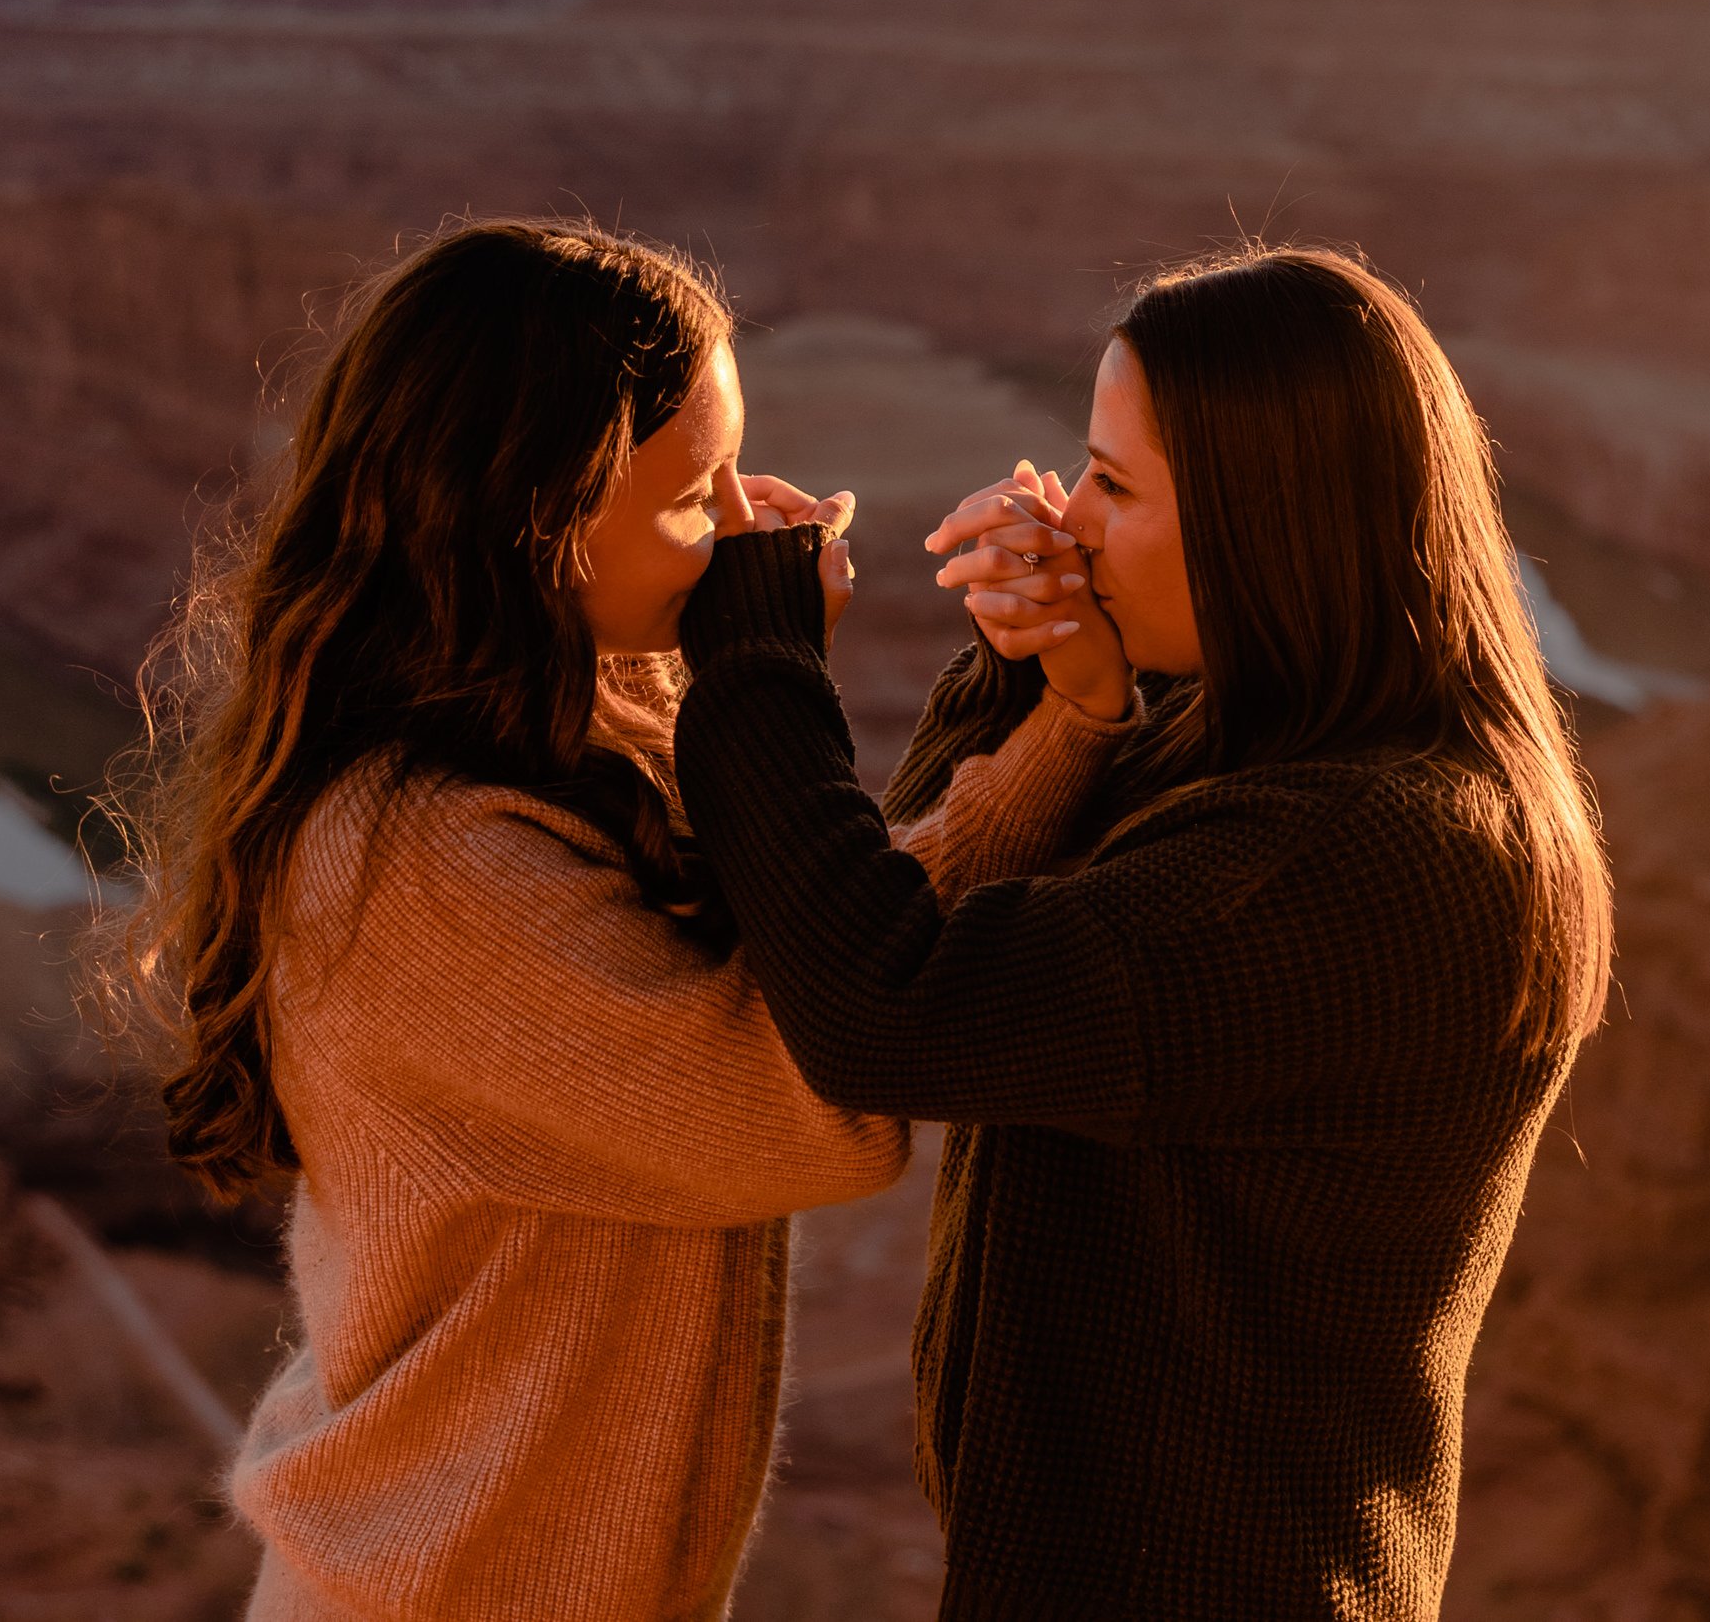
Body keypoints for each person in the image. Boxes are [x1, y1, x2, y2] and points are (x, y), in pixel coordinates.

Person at [667, 244, 1614, 1622]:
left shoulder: (1369, 859)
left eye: (1114, 485)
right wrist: (1047, 693)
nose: (1073, 521)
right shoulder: (1260, 747)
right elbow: (933, 892)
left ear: (1258, 521)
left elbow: (885, 1003)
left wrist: (756, 654)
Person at [122, 218, 912, 1622]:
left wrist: (1042, 719)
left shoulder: (576, 721)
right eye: (695, 498)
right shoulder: (420, 857)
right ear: (532, 517)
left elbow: (807, 918)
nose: (739, 526)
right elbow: (814, 1098)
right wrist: (773, 677)